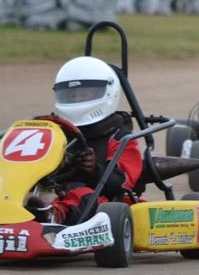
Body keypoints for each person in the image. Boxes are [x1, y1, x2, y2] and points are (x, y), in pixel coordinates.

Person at [49, 56, 143, 225]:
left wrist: (93, 170)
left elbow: (122, 182)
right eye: (72, 95)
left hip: (102, 203)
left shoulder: (121, 138)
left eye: (84, 94)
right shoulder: (57, 133)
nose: (77, 99)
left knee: (81, 192)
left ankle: (52, 216)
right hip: (54, 193)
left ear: (108, 93)